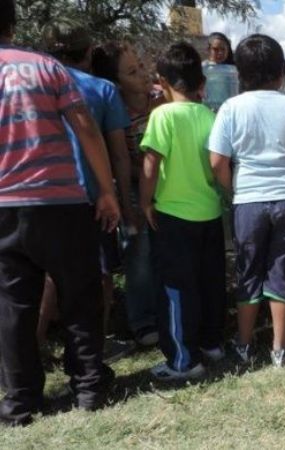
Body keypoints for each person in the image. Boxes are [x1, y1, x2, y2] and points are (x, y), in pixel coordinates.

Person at [0, 0, 120, 426]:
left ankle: (20, 401)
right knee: (80, 294)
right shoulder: (46, 67)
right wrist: (106, 191)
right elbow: (84, 125)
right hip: (61, 202)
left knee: (13, 305)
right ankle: (89, 386)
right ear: (13, 22)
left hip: (4, 205)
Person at [209, 34, 285, 367]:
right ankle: (280, 348)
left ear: (240, 73)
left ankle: (244, 343)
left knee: (248, 269)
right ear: (282, 71)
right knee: (284, 268)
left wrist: (233, 191)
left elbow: (217, 161)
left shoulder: (231, 107)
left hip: (248, 200)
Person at [42, 20, 136, 362]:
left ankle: (32, 346)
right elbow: (120, 155)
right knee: (100, 273)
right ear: (89, 52)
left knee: (48, 275)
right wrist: (125, 207)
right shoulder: (102, 89)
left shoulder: (35, 86)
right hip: (93, 197)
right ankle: (96, 345)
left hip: (42, 195)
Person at [139, 42, 225, 381]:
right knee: (210, 282)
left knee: (175, 287)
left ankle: (183, 361)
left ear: (162, 81)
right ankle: (212, 343)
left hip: (173, 216)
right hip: (210, 212)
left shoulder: (162, 115)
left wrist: (145, 202)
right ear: (201, 82)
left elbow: (151, 162)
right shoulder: (210, 115)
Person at [93, 41, 164, 348]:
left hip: (169, 186)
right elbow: (119, 159)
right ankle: (143, 320)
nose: (143, 74)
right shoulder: (115, 111)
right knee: (140, 252)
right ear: (116, 82)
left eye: (141, 66)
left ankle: (168, 310)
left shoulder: (162, 98)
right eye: (132, 72)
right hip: (134, 186)